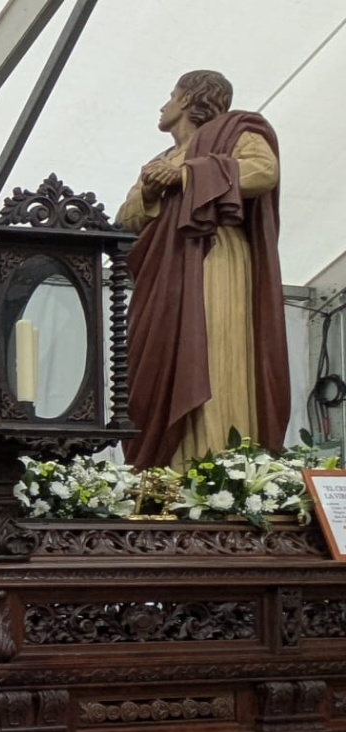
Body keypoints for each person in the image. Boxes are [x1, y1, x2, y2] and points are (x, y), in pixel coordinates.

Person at [116, 70, 287, 469]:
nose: (163, 105)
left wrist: (189, 175)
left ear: (192, 99)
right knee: (160, 359)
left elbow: (263, 171)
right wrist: (151, 191)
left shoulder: (235, 132)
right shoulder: (156, 163)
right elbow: (125, 219)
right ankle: (162, 468)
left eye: (170, 95)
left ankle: (217, 467)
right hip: (163, 272)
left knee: (209, 348)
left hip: (214, 256)